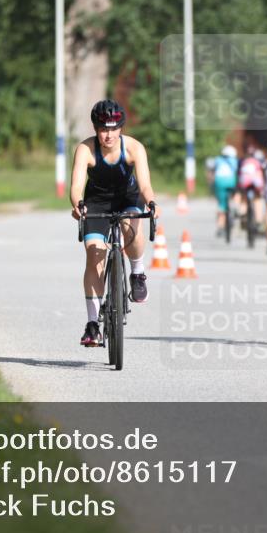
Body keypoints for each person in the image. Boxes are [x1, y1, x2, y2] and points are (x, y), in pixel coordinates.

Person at [69, 99, 157, 347]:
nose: (108, 135)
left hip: (127, 198)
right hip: (96, 202)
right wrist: (77, 204)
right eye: (103, 129)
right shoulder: (86, 149)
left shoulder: (134, 148)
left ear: (121, 127)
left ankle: (137, 273)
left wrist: (151, 203)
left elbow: (145, 185)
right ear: (95, 129)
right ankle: (92, 324)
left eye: (113, 128)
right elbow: (76, 187)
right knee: (94, 254)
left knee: (131, 227)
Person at [210, 145, 238, 237]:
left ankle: (220, 227)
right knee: (236, 194)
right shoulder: (234, 160)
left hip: (219, 182)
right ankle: (235, 208)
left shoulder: (217, 160)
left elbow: (212, 170)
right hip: (231, 182)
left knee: (221, 205)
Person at [236, 147, 266, 231]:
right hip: (255, 183)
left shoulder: (243, 161)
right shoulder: (257, 162)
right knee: (257, 199)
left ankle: (242, 213)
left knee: (244, 199)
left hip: (244, 182)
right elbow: (261, 174)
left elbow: (239, 174)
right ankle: (258, 221)